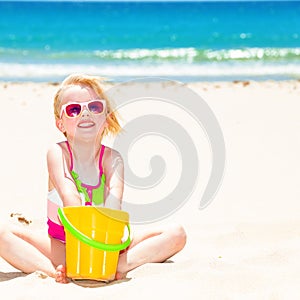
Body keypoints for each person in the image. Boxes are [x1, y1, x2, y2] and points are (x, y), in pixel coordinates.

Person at [0, 74, 186, 283]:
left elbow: (114, 205)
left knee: (176, 233)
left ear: (105, 118)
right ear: (60, 124)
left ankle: (121, 265)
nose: (85, 113)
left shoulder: (112, 159)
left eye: (94, 107)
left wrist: (104, 250)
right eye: (74, 109)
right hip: (64, 246)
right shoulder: (57, 153)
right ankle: (54, 271)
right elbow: (70, 198)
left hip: (106, 244)